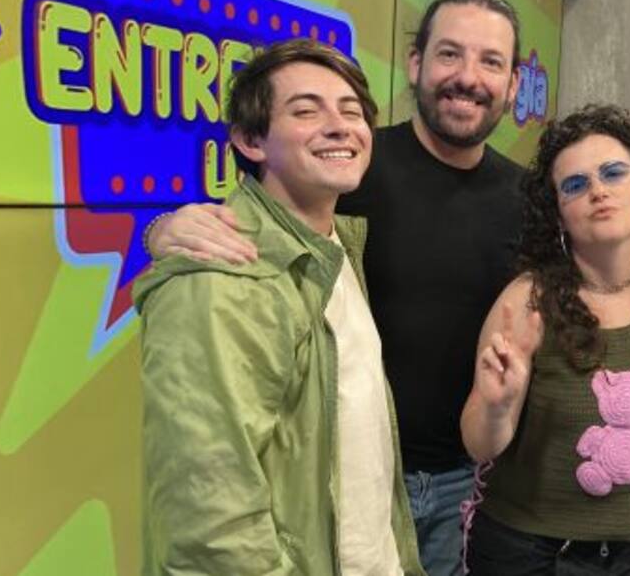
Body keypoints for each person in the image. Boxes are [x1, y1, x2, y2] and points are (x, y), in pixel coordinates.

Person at [145, 0, 524, 576]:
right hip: (328, 487)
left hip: (444, 483)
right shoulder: (342, 179)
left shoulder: (525, 196)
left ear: (513, 84)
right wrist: (163, 229)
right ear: (416, 64)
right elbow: (213, 510)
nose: (468, 77)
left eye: (491, 61)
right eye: (450, 54)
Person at [136, 38, 424, 575]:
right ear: (250, 140)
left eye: (351, 111)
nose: (339, 127)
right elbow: (212, 519)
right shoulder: (220, 278)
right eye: (306, 111)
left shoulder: (334, 246)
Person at [460, 104, 630, 574]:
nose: (598, 191)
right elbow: (480, 446)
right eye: (575, 184)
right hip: (528, 552)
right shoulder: (526, 302)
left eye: (613, 173)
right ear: (558, 215)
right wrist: (498, 406)